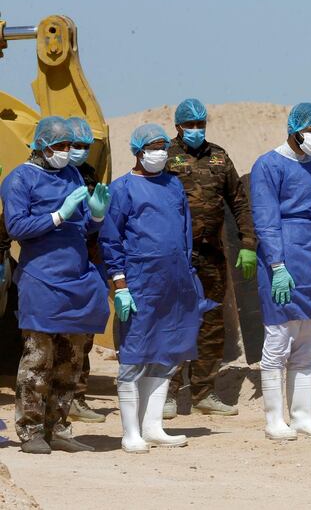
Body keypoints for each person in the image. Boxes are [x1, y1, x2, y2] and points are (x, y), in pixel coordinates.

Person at [1, 116, 111, 454]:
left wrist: (95, 217)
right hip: (42, 279)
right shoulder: (20, 179)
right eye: (59, 146)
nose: (65, 152)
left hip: (75, 277)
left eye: (69, 146)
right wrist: (57, 215)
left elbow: (82, 230)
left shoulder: (72, 174)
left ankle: (59, 427)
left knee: (70, 359)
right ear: (41, 146)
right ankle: (31, 431)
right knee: (38, 358)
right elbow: (17, 226)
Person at [100, 123, 202, 453]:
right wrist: (120, 285)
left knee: (167, 352)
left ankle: (152, 424)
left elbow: (184, 232)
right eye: (153, 146)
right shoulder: (122, 189)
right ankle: (130, 431)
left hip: (175, 283)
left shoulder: (173, 185)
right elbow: (111, 240)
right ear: (138, 151)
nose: (160, 152)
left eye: (163, 146)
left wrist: (189, 276)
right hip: (141, 283)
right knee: (135, 355)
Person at [164, 98, 257, 418]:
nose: (195, 130)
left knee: (212, 324)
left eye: (200, 125)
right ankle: (168, 393)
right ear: (177, 127)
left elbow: (239, 202)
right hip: (175, 255)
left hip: (212, 254)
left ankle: (204, 391)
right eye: (189, 125)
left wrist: (247, 242)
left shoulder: (219, 156)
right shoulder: (163, 156)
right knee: (175, 321)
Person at [250, 102, 311, 441]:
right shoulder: (268, 165)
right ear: (293, 129)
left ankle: (303, 416)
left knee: (307, 343)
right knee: (279, 339)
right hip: (283, 258)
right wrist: (276, 265)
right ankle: (275, 419)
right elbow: (265, 218)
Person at [62, 116, 107, 424]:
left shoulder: (88, 175)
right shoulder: (46, 176)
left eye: (84, 147)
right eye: (74, 145)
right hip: (55, 265)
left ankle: (76, 397)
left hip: (87, 263)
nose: (80, 151)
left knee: (83, 335)